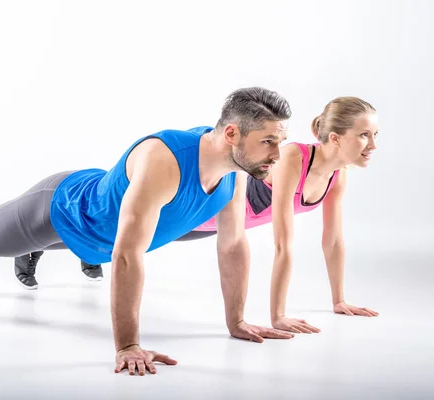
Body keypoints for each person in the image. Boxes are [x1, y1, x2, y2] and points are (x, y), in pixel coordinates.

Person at [0, 87, 294, 376]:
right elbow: (127, 256)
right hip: (57, 210)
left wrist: (235, 321)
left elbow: (233, 243)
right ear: (232, 132)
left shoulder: (237, 169)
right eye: (269, 141)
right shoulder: (166, 158)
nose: (278, 153)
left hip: (94, 236)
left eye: (280, 140)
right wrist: (128, 346)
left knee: (90, 242)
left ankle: (28, 253)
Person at [151, 96, 381, 334]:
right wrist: (278, 316)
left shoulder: (338, 174)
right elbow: (283, 246)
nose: (373, 145)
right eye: (365, 135)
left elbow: (333, 241)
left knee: (128, 241)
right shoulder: (294, 158)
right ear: (335, 138)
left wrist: (339, 301)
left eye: (375, 134)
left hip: (216, 225)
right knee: (121, 234)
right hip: (199, 211)